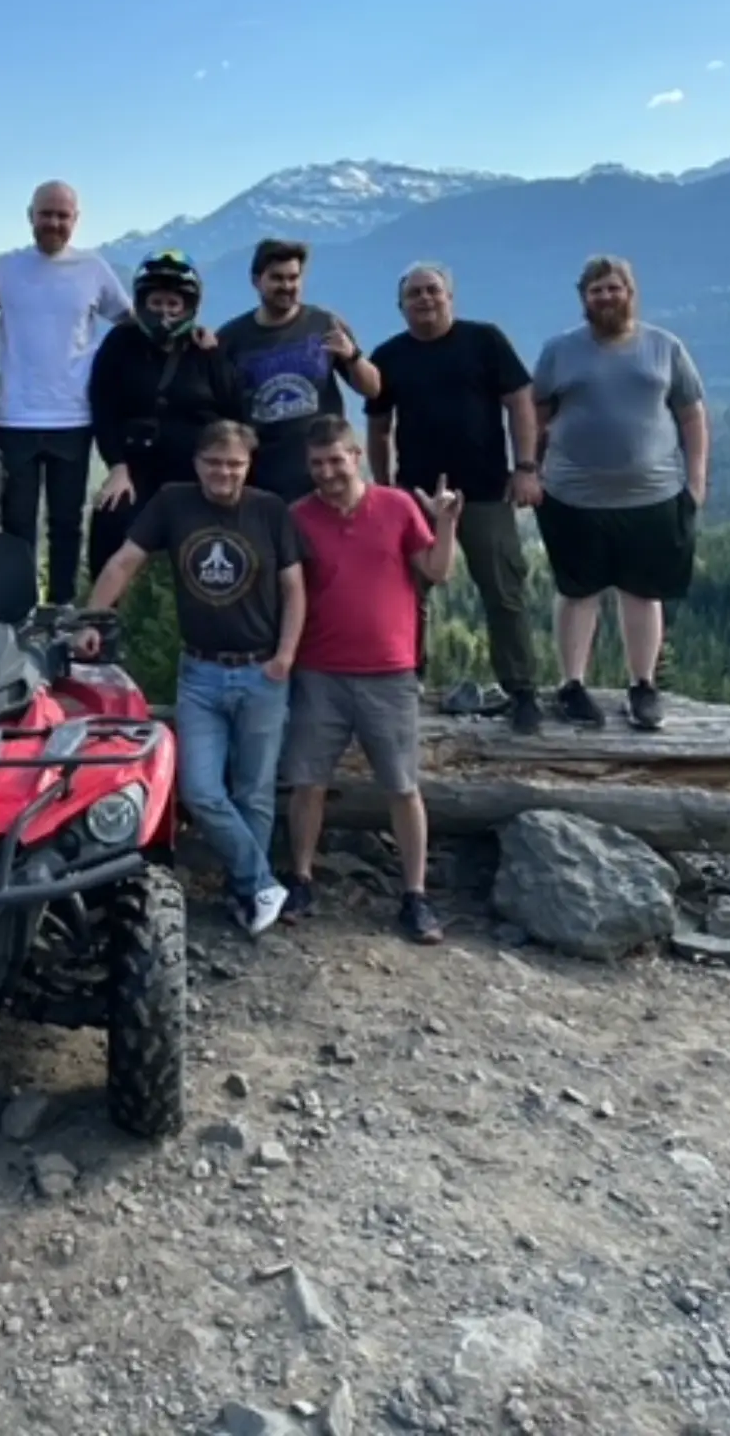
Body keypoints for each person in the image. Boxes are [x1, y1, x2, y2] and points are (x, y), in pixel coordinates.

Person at [83, 420, 305, 936]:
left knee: (254, 792)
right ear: (197, 463)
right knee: (199, 788)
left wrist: (286, 656)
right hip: (200, 671)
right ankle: (263, 881)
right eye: (213, 463)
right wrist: (91, 619)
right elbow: (124, 562)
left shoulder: (269, 510)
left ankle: (246, 895)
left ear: (248, 466)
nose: (223, 473)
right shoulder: (173, 502)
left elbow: (295, 589)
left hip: (263, 668)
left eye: (234, 464)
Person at [278, 416, 459, 945]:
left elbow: (437, 570)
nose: (327, 472)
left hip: (390, 671)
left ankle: (415, 895)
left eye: (336, 460)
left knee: (403, 787)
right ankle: (302, 879)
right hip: (318, 671)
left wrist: (446, 523)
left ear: (356, 456)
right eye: (317, 464)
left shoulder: (398, 507)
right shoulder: (297, 517)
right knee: (307, 781)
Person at [532, 255, 709, 733]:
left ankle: (643, 686)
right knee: (576, 592)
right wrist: (529, 469)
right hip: (571, 495)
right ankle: (571, 685)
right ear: (583, 299)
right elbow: (537, 413)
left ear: (630, 292)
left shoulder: (664, 347)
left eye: (614, 288)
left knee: (643, 593)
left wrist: (696, 481)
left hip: (653, 496)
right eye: (596, 291)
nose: (606, 297)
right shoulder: (559, 351)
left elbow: (691, 415)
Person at [366, 262, 544, 734]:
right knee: (407, 594)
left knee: (503, 590)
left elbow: (520, 401)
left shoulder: (484, 341)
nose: (425, 300)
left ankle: (522, 689)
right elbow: (379, 427)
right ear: (401, 306)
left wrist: (525, 467)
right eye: (415, 294)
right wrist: (385, 488)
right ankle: (406, 677)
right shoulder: (389, 355)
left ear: (450, 296)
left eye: (433, 291)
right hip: (416, 496)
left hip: (485, 489)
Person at [0, 181, 131, 604]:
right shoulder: (3, 269)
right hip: (12, 417)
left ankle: (61, 611)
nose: (53, 223)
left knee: (67, 524)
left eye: (62, 216)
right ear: (30, 216)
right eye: (46, 214)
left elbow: (130, 322)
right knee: (16, 525)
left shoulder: (93, 269)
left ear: (75, 220)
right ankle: (20, 610)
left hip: (73, 417)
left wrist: (187, 333)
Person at [86, 250, 245, 578]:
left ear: (189, 307)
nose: (165, 313)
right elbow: (102, 405)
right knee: (110, 515)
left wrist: (229, 471)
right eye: (156, 303)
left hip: (198, 473)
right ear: (142, 302)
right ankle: (102, 618)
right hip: (136, 468)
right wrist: (116, 465)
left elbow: (235, 412)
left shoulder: (206, 351)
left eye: (174, 305)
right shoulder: (120, 343)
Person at [217, 239, 380, 503]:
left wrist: (353, 356)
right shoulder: (231, 339)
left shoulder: (324, 323)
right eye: (277, 278)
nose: (287, 286)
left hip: (324, 476)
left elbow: (372, 388)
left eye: (293, 278)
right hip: (262, 482)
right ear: (257, 281)